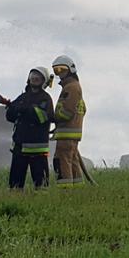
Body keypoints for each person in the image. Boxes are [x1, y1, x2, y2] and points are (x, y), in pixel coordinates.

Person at [0, 68, 55, 191]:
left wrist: (27, 109)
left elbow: (44, 117)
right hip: (19, 147)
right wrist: (13, 108)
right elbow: (10, 117)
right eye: (33, 75)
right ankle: (15, 201)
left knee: (41, 185)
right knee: (15, 184)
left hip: (38, 149)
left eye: (38, 76)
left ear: (43, 81)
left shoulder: (45, 99)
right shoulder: (23, 97)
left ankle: (41, 203)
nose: (34, 78)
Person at [50, 54, 89, 188]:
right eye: (56, 71)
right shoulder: (74, 86)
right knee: (72, 161)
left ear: (71, 69)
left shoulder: (71, 88)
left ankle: (65, 191)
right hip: (69, 133)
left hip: (66, 135)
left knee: (61, 161)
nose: (59, 74)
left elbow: (67, 112)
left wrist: (53, 117)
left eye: (62, 70)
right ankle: (78, 189)